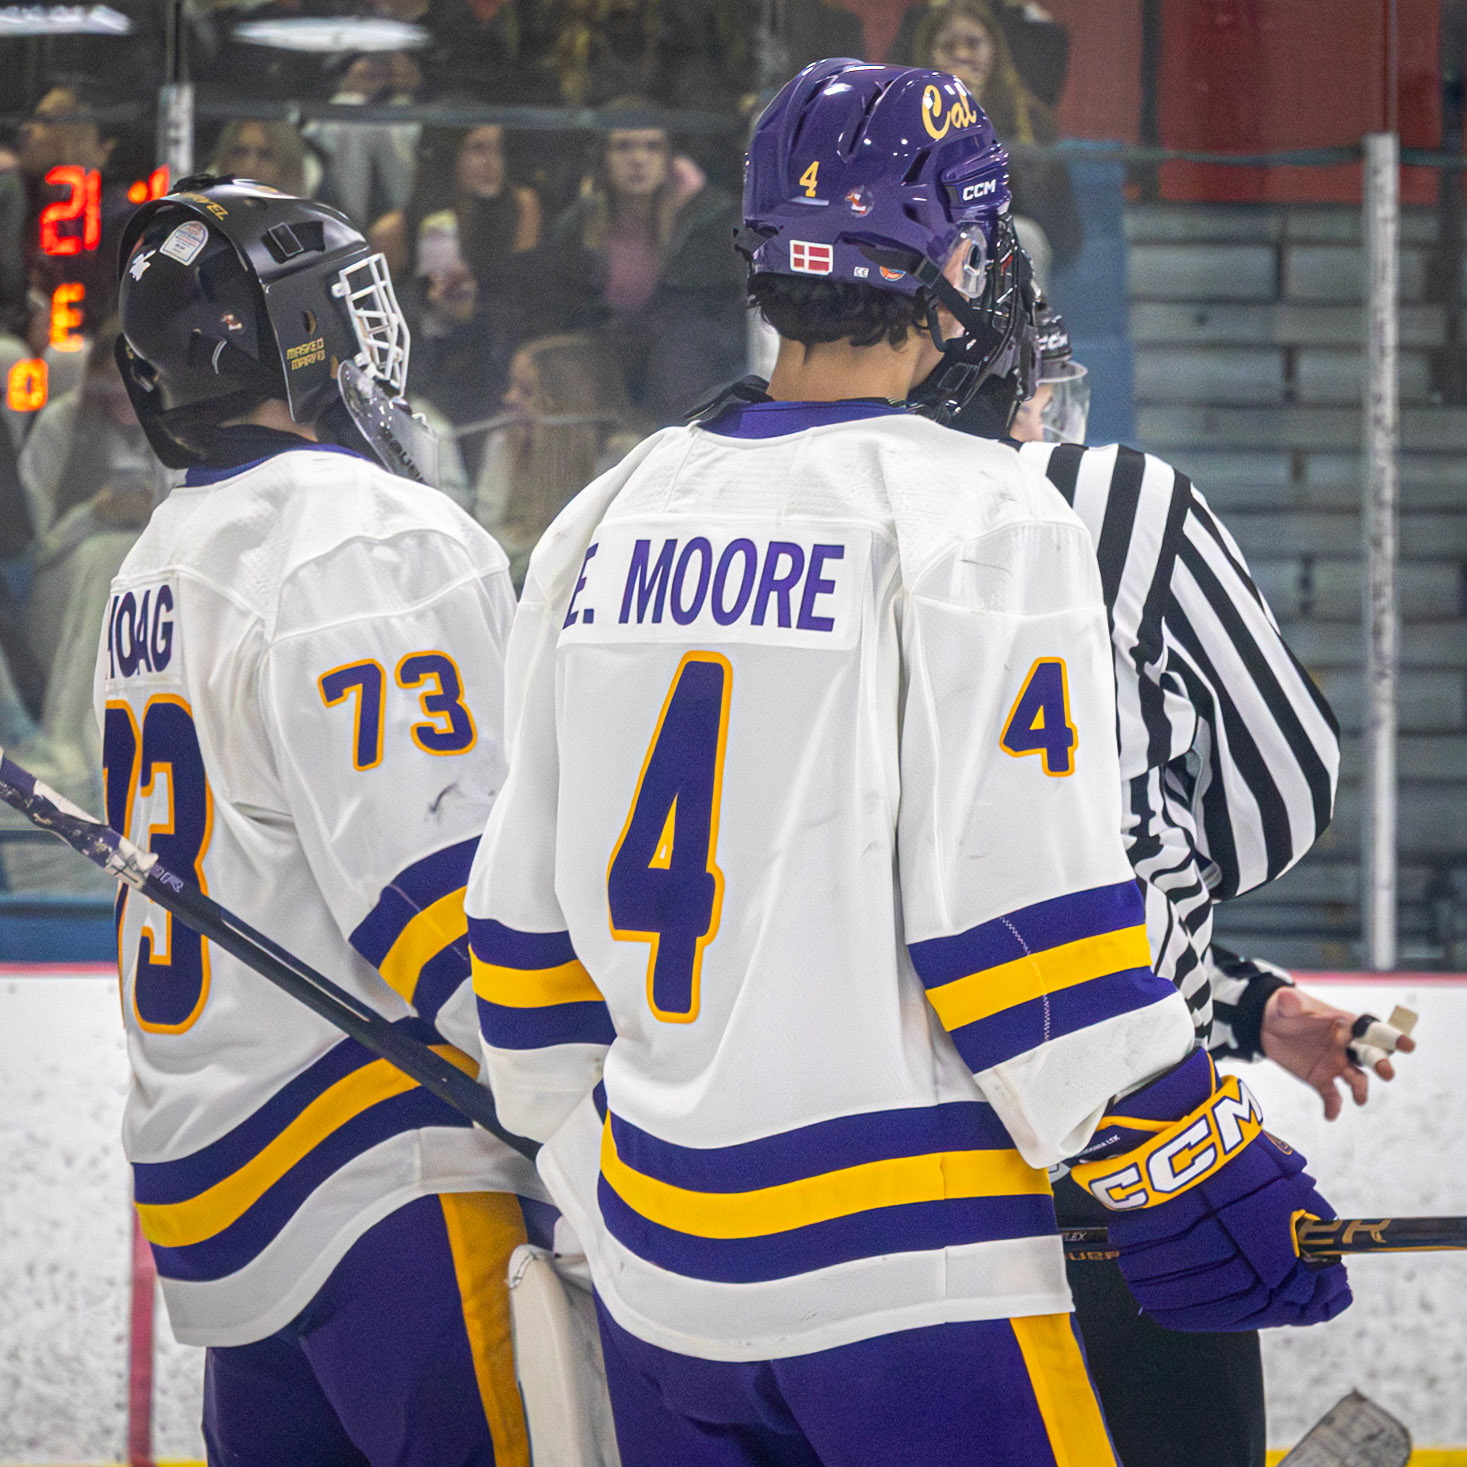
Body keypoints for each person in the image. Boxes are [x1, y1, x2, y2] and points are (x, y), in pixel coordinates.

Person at [465, 59, 1348, 1467]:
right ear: (950, 258)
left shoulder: (606, 509)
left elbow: (513, 940)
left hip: (664, 1292)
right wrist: (1188, 1155)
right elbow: (1019, 932)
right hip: (911, 1283)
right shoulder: (979, 516)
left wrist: (602, 1186)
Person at [926, 264, 1415, 1467]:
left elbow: (949, 895)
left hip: (849, 1189)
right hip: (1118, 1155)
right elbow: (1274, 812)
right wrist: (1175, 914)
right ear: (1013, 378)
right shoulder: (1106, 507)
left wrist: (1246, 1000)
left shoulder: (749, 517)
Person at [102, 177, 541, 1465]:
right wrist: (581, 1099)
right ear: (304, 333)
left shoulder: (158, 558)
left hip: (227, 1191)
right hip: (389, 1175)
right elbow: (433, 892)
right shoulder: (365, 535)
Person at [550, 104, 745, 423]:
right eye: (623, 146)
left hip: (676, 373)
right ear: (602, 159)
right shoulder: (577, 227)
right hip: (603, 363)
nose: (638, 159)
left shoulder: (704, 220)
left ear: (669, 159)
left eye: (652, 147)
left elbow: (714, 313)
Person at [908, 0, 1081, 283]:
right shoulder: (904, 114)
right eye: (949, 47)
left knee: (1026, 238)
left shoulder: (1031, 120)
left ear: (994, 52)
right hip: (927, 237)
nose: (962, 55)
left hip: (1002, 245)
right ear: (930, 54)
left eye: (973, 44)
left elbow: (1058, 224)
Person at [472, 331, 645, 589]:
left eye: (526, 391)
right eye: (512, 385)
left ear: (564, 404)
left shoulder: (623, 460)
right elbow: (486, 540)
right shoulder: (504, 444)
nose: (509, 399)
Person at [209, 119, 314, 197]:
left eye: (265, 155)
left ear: (288, 167)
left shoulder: (303, 224)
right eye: (239, 153)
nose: (249, 166)